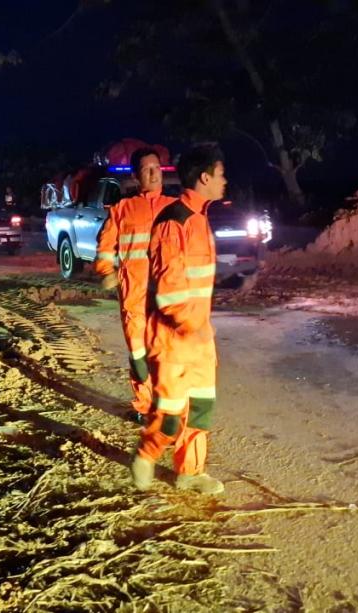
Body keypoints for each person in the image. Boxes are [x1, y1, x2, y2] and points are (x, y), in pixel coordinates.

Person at [132, 144, 227, 495]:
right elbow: (169, 292)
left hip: (199, 338)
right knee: (170, 414)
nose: (224, 181)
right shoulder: (175, 221)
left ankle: (191, 472)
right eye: (220, 174)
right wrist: (191, 326)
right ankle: (146, 455)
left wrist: (202, 330)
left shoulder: (199, 218)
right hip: (174, 339)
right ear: (204, 177)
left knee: (201, 408)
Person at [94, 147, 176, 425]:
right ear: (135, 175)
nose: (154, 174)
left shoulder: (175, 208)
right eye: (146, 169)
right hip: (135, 296)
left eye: (157, 168)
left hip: (169, 297)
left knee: (167, 355)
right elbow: (105, 247)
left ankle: (167, 406)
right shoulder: (122, 210)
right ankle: (144, 405)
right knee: (139, 354)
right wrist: (107, 270)